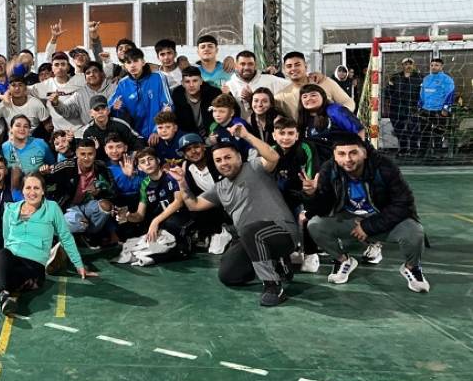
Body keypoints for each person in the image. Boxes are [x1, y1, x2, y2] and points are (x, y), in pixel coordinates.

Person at [181, 124, 296, 307]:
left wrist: (247, 135)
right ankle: (276, 263)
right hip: (251, 238)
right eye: (218, 160)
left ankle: (273, 285)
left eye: (228, 157)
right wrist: (181, 182)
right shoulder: (220, 188)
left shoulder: (254, 167)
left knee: (251, 231)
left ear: (239, 157)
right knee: (228, 275)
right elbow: (193, 205)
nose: (223, 163)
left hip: (282, 231)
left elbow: (273, 157)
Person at [303, 133, 429, 293]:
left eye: (353, 153)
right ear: (334, 155)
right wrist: (312, 194)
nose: (347, 159)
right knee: (315, 224)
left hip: (380, 217)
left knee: (415, 231)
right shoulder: (329, 169)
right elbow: (323, 208)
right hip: (349, 219)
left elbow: (404, 204)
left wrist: (368, 226)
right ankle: (343, 260)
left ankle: (412, 268)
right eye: (341, 154)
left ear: (364, 153)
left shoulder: (384, 167)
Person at [0, 173, 95, 317]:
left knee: (16, 280)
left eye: (36, 188)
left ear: (43, 191)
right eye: (28, 188)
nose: (32, 192)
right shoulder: (10, 209)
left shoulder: (52, 208)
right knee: (4, 253)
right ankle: (4, 295)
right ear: (22, 191)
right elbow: (6, 239)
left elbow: (65, 236)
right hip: (10, 258)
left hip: (34, 265)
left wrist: (79, 266)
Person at [115, 148, 193, 267]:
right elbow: (140, 215)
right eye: (143, 162)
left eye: (150, 159)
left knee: (171, 223)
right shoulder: (145, 184)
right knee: (136, 231)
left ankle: (185, 243)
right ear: (140, 167)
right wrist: (128, 217)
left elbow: (179, 202)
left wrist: (155, 221)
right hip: (162, 221)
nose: (147, 163)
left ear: (158, 160)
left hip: (181, 216)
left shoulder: (171, 175)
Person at [270, 116, 321, 273]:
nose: (286, 137)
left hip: (306, 193)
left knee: (306, 216)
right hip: (284, 195)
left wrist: (309, 188)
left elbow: (312, 179)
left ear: (297, 135)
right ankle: (293, 248)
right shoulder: (271, 151)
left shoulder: (306, 148)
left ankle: (311, 254)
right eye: (282, 133)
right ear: (274, 135)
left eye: (290, 133)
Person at [46, 138, 115, 240]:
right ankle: (53, 232)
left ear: (95, 153)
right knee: (80, 223)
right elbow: (45, 183)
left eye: (90, 154)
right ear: (77, 153)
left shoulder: (101, 167)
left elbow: (112, 192)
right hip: (67, 206)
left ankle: (90, 236)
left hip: (87, 205)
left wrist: (98, 192)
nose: (86, 158)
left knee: (106, 206)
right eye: (83, 154)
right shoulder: (65, 166)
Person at [177, 133, 229, 253]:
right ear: (184, 154)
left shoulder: (217, 159)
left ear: (204, 147)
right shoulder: (187, 169)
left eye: (196, 147)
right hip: (213, 207)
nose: (193, 152)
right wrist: (182, 181)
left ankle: (225, 231)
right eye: (188, 150)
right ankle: (215, 232)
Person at [109, 48, 172, 140]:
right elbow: (112, 107)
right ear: (125, 66)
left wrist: (157, 130)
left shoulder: (158, 77)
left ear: (143, 62)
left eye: (135, 61)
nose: (132, 65)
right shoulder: (123, 84)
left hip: (159, 134)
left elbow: (167, 105)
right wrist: (115, 108)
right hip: (135, 138)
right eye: (128, 62)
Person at [274, 51, 355, 119]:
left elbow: (348, 102)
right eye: (289, 66)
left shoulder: (325, 82)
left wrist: (337, 116)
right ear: (284, 70)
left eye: (297, 65)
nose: (293, 69)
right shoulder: (281, 97)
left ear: (305, 66)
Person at [297, 84, 366, 161]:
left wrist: (359, 154)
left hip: (342, 161)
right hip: (317, 163)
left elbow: (359, 130)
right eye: (305, 97)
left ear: (323, 96)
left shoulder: (334, 111)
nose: (309, 99)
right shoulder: (303, 119)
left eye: (313, 95)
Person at [224, 50, 290, 119]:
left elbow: (293, 86)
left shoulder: (270, 80)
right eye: (242, 64)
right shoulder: (229, 86)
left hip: (269, 124)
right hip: (240, 125)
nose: (246, 67)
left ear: (255, 65)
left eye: (250, 64)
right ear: (236, 65)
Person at [51, 61, 116, 130]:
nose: (91, 74)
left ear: (102, 73)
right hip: (92, 132)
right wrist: (56, 103)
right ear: (85, 78)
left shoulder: (114, 88)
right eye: (88, 73)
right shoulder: (79, 94)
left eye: (95, 71)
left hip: (115, 129)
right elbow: (66, 111)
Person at [1, 115, 54, 190]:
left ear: (29, 130)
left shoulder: (40, 143)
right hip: (13, 190)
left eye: (25, 126)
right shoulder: (5, 147)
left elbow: (52, 164)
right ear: (11, 128)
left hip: (38, 187)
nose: (22, 129)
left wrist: (46, 169)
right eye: (18, 125)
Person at [81, 94, 143, 159]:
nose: (100, 112)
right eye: (97, 109)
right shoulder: (88, 131)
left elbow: (139, 139)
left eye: (103, 109)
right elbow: (87, 156)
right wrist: (96, 149)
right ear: (91, 113)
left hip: (124, 158)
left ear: (108, 111)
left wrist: (133, 155)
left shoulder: (120, 124)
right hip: (101, 161)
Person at [385, 58, 422, 157]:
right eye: (406, 64)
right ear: (402, 65)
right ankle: (403, 149)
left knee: (414, 129)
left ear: (413, 65)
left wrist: (420, 106)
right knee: (399, 129)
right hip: (397, 108)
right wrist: (388, 105)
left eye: (410, 64)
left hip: (413, 107)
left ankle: (414, 150)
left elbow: (423, 93)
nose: (408, 66)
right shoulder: (395, 77)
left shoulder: (419, 77)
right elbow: (388, 91)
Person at [416, 57, 455, 155]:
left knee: (438, 133)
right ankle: (422, 153)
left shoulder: (447, 79)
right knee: (424, 132)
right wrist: (420, 106)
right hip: (425, 110)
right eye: (432, 65)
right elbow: (421, 94)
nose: (433, 67)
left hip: (439, 111)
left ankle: (438, 154)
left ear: (442, 67)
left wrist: (446, 109)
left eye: (436, 65)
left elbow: (450, 94)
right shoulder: (426, 79)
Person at [171, 66, 221, 138]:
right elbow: (177, 123)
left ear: (201, 81)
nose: (191, 85)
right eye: (187, 81)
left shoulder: (214, 93)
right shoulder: (177, 95)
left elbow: (230, 112)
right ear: (182, 83)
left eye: (195, 81)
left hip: (212, 135)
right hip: (188, 136)